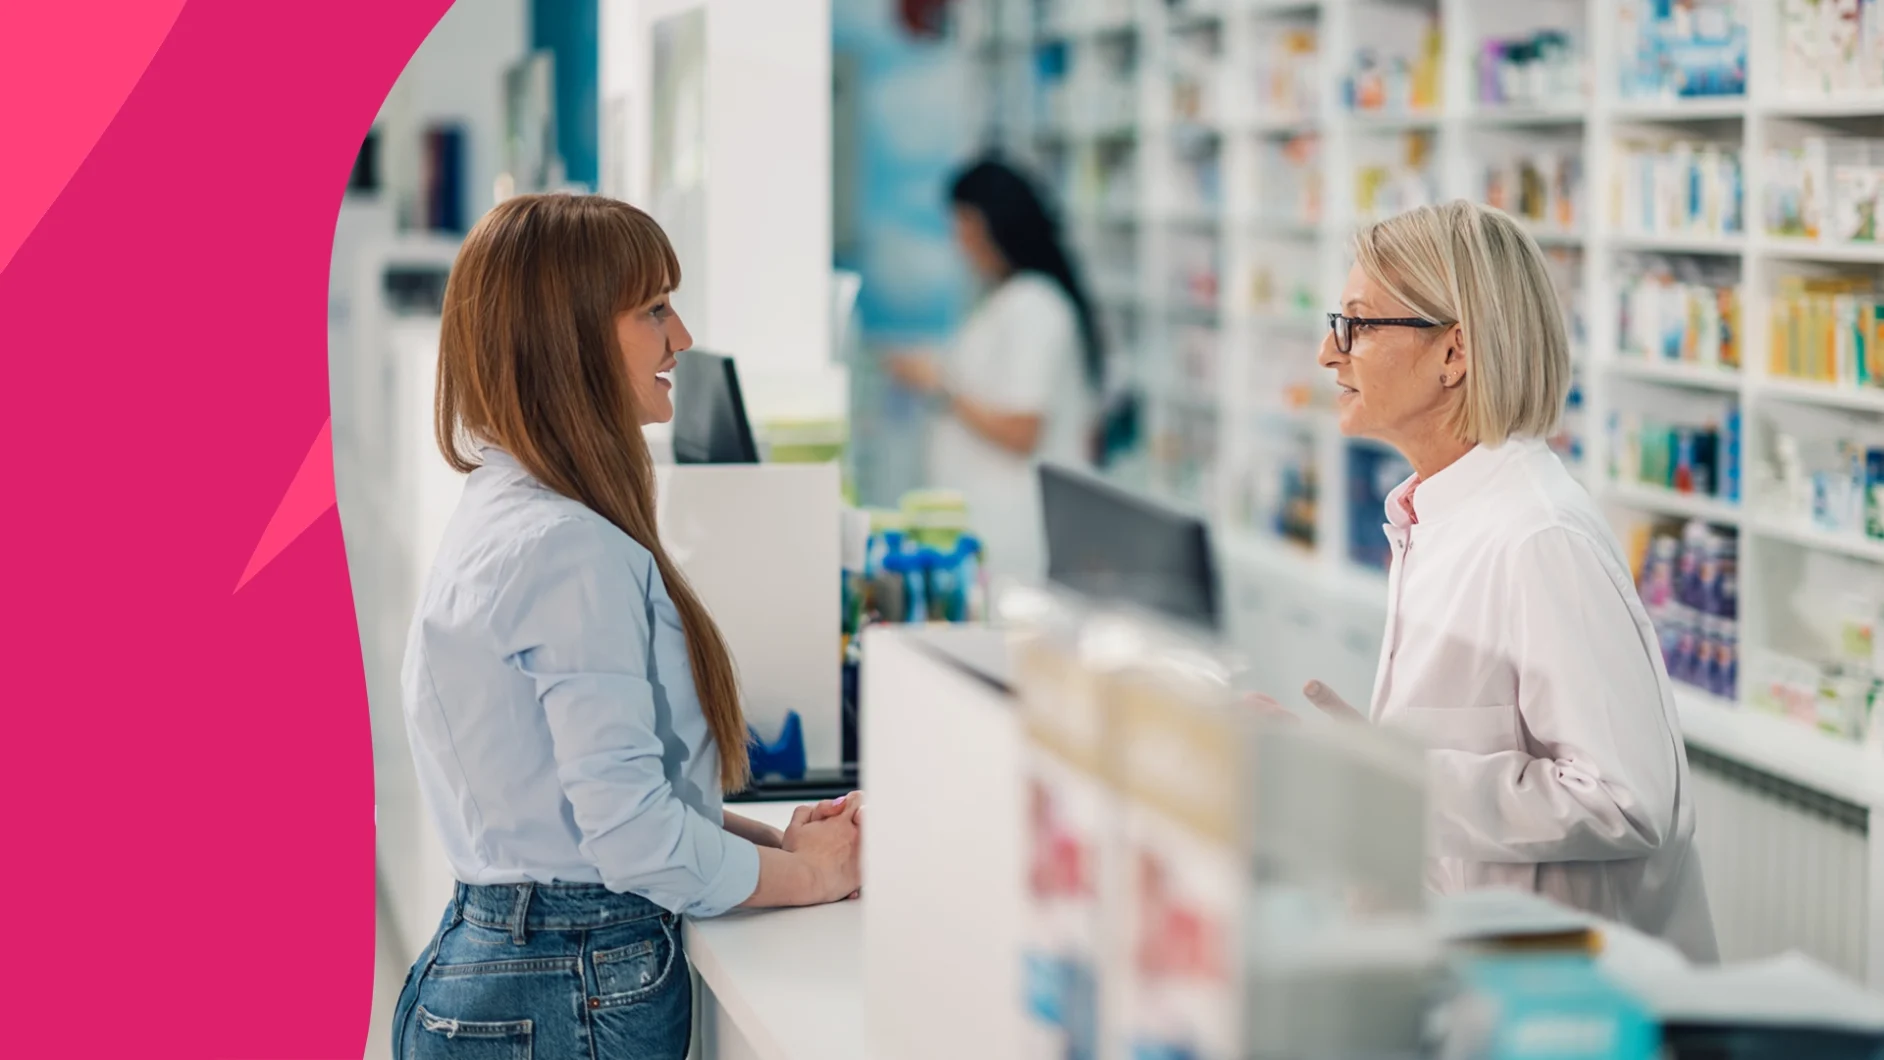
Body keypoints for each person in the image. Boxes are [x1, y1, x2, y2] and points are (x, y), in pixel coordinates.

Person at [391, 194, 863, 1059]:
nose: (680, 337)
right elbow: (633, 841)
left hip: (501, 971)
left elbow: (581, 814)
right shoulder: (571, 551)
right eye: (654, 309)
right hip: (567, 986)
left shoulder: (511, 508)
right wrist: (812, 877)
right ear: (570, 337)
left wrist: (769, 838)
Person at [1258, 200, 1718, 962]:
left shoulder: (1539, 537)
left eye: (1358, 325)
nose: (1327, 353)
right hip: (1471, 958)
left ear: (1455, 354)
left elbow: (1624, 801)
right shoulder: (1436, 513)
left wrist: (1387, 780)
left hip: (1575, 999)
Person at [885, 158, 1106, 582]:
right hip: (989, 531)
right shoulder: (1008, 300)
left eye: (965, 226)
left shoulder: (1035, 306)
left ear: (995, 225)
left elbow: (1022, 429)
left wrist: (940, 385)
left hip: (1013, 536)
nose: (959, 241)